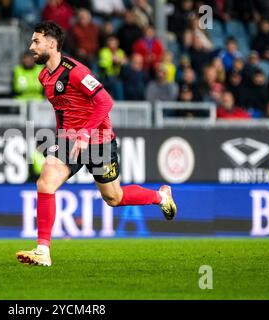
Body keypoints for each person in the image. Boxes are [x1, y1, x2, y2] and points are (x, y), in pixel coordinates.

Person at [16, 21, 177, 267]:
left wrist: (84, 134)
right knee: (45, 182)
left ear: (52, 43)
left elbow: (105, 102)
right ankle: (43, 251)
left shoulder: (77, 71)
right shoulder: (43, 76)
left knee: (113, 198)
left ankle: (161, 196)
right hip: (69, 141)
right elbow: (65, 110)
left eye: (36, 41)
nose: (31, 46)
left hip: (99, 142)